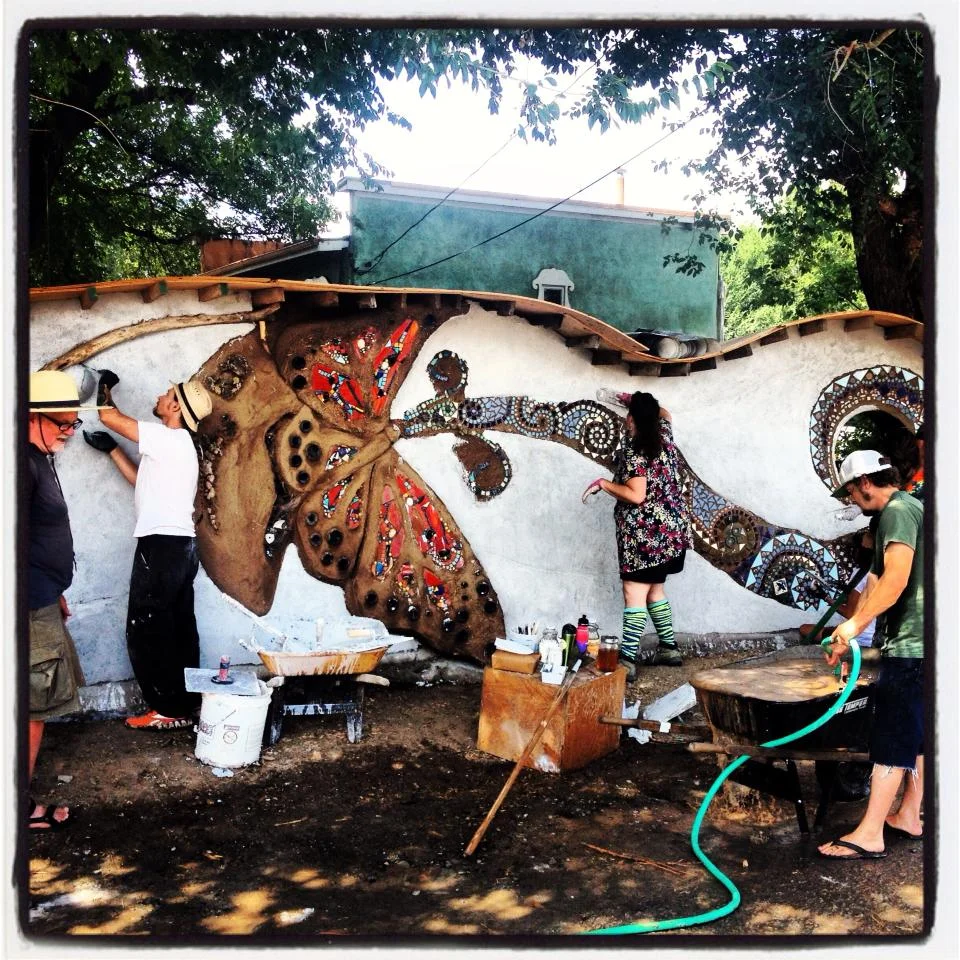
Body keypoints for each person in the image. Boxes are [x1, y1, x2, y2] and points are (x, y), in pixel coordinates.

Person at [83, 374, 213, 730]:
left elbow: (108, 416)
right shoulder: (178, 446)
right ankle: (184, 703)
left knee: (148, 628)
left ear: (175, 407)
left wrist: (104, 386)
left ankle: (167, 709)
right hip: (181, 548)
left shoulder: (168, 438)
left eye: (167, 394)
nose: (159, 396)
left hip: (161, 546)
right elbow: (140, 480)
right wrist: (112, 450)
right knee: (178, 625)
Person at [818, 449, 924, 860]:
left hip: (913, 643)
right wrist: (850, 636)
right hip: (920, 642)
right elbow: (876, 583)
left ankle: (870, 833)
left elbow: (896, 580)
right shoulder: (891, 516)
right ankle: (909, 815)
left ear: (865, 482)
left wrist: (851, 628)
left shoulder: (898, 511)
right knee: (918, 735)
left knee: (893, 735)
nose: (850, 499)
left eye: (849, 490)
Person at [26, 370, 105, 829]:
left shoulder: (37, 457)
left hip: (40, 599)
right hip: (25, 609)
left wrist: (52, 592)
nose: (70, 432)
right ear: (30, 418)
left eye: (74, 423)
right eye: (62, 423)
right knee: (31, 709)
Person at [582, 391, 691, 670]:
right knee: (654, 591)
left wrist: (604, 484)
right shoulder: (664, 436)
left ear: (631, 419)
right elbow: (665, 413)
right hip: (671, 536)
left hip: (645, 539)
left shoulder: (635, 450)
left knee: (633, 593)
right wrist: (634, 399)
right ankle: (669, 649)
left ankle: (628, 660)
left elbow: (636, 495)